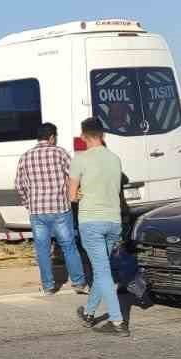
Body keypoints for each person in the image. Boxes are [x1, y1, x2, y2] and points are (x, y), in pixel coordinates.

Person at [70, 117, 129, 337]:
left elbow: (72, 195)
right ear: (103, 135)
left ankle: (117, 322)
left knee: (102, 271)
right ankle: (88, 313)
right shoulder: (115, 159)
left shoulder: (80, 159)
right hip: (113, 221)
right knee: (101, 269)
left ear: (83, 136)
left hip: (91, 221)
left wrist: (79, 194)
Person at [13, 123, 87, 295]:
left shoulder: (25, 157)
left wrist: (28, 203)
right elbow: (75, 175)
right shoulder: (60, 153)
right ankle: (78, 283)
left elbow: (18, 185)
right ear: (52, 137)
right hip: (60, 208)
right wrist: (73, 195)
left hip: (37, 211)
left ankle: (48, 286)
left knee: (42, 250)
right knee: (69, 245)